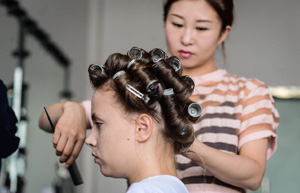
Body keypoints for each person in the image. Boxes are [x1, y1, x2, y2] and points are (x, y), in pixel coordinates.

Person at [39, 0, 279, 192]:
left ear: (223, 32)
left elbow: (252, 175)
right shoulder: (146, 86)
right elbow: (45, 119)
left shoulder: (248, 91)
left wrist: (181, 137)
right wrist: (72, 109)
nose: (186, 38)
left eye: (201, 28)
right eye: (176, 24)